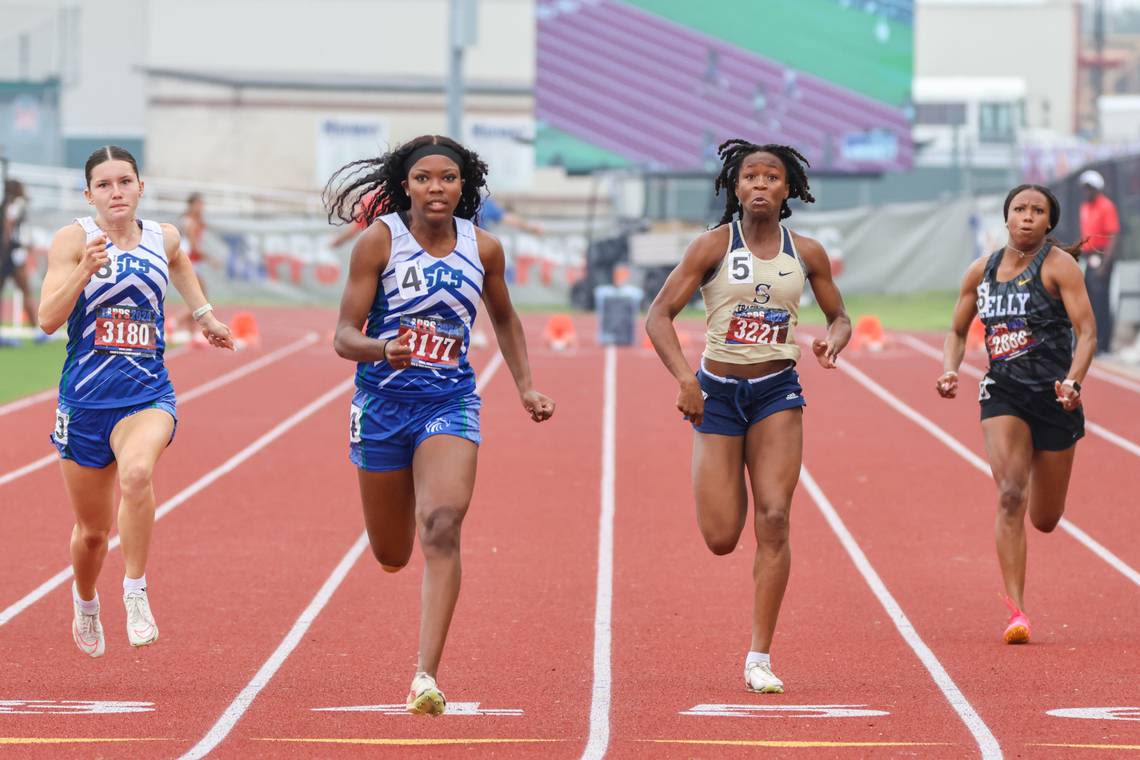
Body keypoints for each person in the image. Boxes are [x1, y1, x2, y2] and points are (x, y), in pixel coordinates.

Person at [326, 134, 555, 715]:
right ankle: (397, 527)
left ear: (463, 185)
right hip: (380, 406)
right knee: (392, 553)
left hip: (448, 402)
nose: (437, 188)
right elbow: (343, 336)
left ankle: (425, 676)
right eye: (425, 178)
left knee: (443, 523)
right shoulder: (379, 243)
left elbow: (504, 317)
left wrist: (526, 385)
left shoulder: (484, 248)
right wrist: (382, 348)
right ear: (405, 184)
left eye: (448, 178)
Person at [645, 139, 851, 694]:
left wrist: (833, 341)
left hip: (777, 394)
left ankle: (759, 655)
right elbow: (659, 315)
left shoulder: (806, 253)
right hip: (715, 395)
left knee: (776, 518)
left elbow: (840, 317)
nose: (760, 185)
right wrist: (686, 379)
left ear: (789, 190)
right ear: (735, 187)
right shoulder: (711, 247)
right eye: (750, 177)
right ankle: (754, 636)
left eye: (771, 178)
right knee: (720, 536)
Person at [37, 146, 234, 658]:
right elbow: (46, 319)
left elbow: (181, 265)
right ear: (89, 195)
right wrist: (83, 271)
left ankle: (135, 590)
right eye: (104, 185)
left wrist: (205, 314)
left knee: (138, 475)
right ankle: (85, 601)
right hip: (83, 402)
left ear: (140, 187)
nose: (116, 191)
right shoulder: (73, 240)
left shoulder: (162, 236)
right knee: (92, 533)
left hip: (146, 394)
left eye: (125, 181)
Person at [937, 184, 1095, 644]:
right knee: (1009, 494)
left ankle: (1042, 463)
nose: (1027, 217)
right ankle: (1016, 612)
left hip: (1054, 396)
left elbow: (1087, 333)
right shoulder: (981, 272)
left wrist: (1074, 381)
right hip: (1002, 391)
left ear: (1049, 222)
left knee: (1045, 518)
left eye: (1037, 211)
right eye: (1019, 209)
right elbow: (955, 328)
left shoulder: (1058, 267)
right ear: (1006, 218)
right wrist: (950, 369)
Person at [1078, 169, 1119, 355]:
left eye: (1089, 188)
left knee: (1102, 301)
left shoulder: (1106, 206)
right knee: (1090, 301)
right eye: (1084, 188)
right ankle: (1092, 342)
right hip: (1089, 257)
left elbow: (1113, 236)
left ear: (1097, 188)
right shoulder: (1084, 208)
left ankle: (1103, 345)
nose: (1086, 192)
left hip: (1102, 257)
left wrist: (1104, 265)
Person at [0, 179, 44, 344]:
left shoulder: (10, 205)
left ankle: (37, 332)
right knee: (26, 291)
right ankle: (37, 332)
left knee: (24, 291)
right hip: (11, 256)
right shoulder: (14, 206)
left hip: (10, 255)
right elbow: (10, 230)